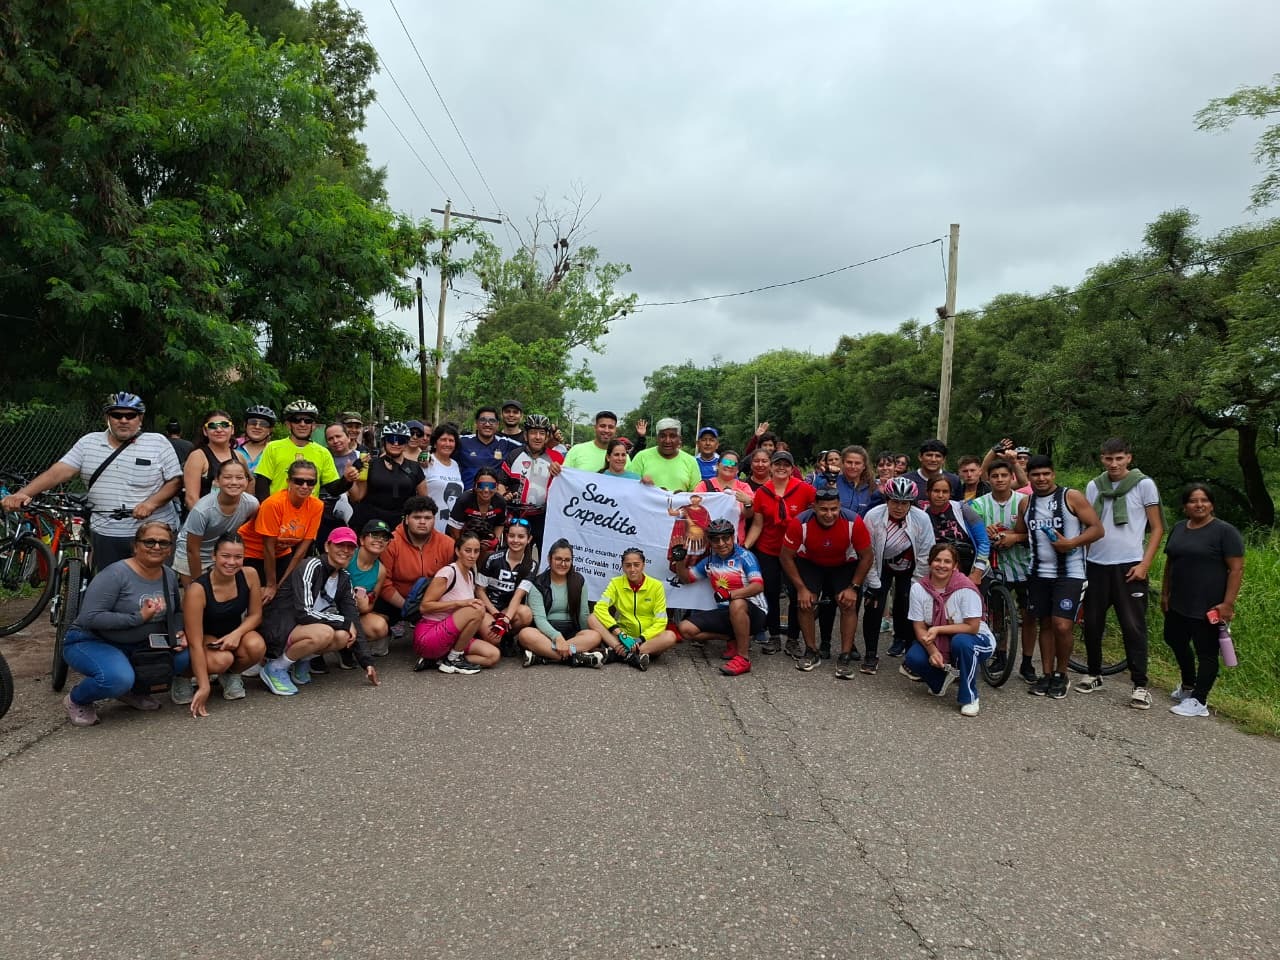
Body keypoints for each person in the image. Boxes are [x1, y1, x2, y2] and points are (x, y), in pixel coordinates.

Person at [2, 391, 181, 573]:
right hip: (106, 532)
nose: (124, 420)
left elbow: (175, 481)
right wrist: (23, 493)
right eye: (116, 415)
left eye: (130, 415)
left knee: (153, 590)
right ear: (107, 418)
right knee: (110, 588)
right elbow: (57, 473)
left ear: (140, 418)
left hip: (152, 533)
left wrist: (151, 504)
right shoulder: (88, 443)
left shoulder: (158, 443)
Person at [59, 520, 189, 726]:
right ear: (135, 545)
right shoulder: (115, 574)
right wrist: (137, 617)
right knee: (116, 678)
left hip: (140, 645)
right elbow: (89, 617)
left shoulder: (169, 575)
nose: (157, 547)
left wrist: (179, 631)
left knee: (185, 656)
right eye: (150, 542)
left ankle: (133, 691)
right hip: (92, 640)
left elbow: (177, 612)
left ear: (170, 549)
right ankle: (77, 699)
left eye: (164, 543)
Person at [1076, 438, 1165, 708]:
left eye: (1119, 458)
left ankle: (1139, 684)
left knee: (1132, 626)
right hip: (1097, 564)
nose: (1113, 464)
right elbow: (1089, 526)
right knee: (1092, 623)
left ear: (1129, 458)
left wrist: (1144, 565)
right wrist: (1083, 562)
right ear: (1101, 459)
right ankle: (1094, 672)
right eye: (1108, 459)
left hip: (1129, 565)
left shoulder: (1143, 484)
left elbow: (1157, 527)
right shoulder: (1094, 486)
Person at [1008, 455, 1104, 700]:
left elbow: (1097, 529)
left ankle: (1063, 673)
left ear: (1053, 474)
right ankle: (1047, 674)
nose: (1041, 478)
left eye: (1046, 473)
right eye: (1036, 474)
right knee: (1045, 623)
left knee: (1062, 625)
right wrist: (1001, 533)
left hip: (1070, 573)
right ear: (1028, 477)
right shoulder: (1025, 504)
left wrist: (1071, 542)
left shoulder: (1071, 497)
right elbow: (1020, 533)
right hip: (1038, 573)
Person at [258, 527, 380, 694]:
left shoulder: (344, 578)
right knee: (325, 633)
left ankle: (300, 660)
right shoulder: (310, 565)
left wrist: (367, 662)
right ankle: (276, 667)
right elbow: (304, 612)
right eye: (339, 545)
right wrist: (344, 622)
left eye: (350, 547)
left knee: (344, 636)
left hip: (303, 628)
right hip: (280, 628)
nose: (345, 550)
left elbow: (353, 618)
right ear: (327, 546)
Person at [1161, 484, 1245, 718]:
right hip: (1179, 601)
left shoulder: (1224, 532)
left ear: (1212, 504)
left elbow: (1236, 569)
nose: (1199, 505)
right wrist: (1165, 593)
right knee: (1174, 639)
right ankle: (1188, 686)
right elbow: (1170, 564)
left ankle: (1199, 700)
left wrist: (1228, 604)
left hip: (1209, 604)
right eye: (1193, 501)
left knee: (1206, 652)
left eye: (1204, 500)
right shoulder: (1179, 528)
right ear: (1185, 506)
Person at [780, 487, 873, 675]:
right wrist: (801, 588)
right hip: (811, 562)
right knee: (806, 602)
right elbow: (785, 556)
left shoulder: (854, 522)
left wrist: (853, 587)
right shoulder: (800, 522)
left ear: (840, 507)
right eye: (823, 509)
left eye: (834, 509)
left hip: (843, 563)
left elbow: (867, 557)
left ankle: (845, 655)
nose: (829, 514)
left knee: (848, 604)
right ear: (814, 507)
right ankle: (811, 651)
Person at [174, 532, 267, 715]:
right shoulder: (198, 590)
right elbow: (194, 641)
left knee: (256, 645)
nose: (231, 562)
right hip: (203, 637)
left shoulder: (250, 575)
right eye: (225, 556)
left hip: (232, 632)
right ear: (214, 556)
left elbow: (256, 615)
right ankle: (183, 677)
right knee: (222, 659)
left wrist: (237, 633)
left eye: (238, 557)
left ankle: (230, 675)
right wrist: (204, 686)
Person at [902, 543, 997, 717]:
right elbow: (919, 626)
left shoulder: (965, 588)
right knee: (913, 657)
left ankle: (970, 697)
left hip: (976, 638)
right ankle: (940, 681)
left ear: (955, 566)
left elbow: (973, 626)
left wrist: (938, 628)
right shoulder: (919, 588)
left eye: (947, 561)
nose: (941, 565)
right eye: (937, 560)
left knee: (962, 642)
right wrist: (932, 651)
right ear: (930, 563)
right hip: (940, 639)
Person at [860, 477, 935, 675]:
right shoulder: (873, 516)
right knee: (874, 605)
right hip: (880, 564)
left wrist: (916, 583)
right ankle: (870, 653)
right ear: (887, 500)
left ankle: (909, 650)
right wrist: (873, 583)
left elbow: (927, 552)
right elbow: (868, 553)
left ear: (911, 503)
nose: (899, 507)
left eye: (905, 503)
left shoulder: (922, 518)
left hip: (911, 566)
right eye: (895, 502)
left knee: (908, 603)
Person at [743, 450, 816, 656]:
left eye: (786, 464)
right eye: (777, 464)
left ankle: (793, 638)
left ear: (792, 468)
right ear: (771, 467)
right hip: (769, 549)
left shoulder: (805, 490)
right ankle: (773, 635)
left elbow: (817, 515)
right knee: (771, 593)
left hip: (796, 552)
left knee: (796, 594)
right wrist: (745, 547)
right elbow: (757, 524)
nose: (781, 468)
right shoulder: (762, 493)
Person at [970, 460, 1037, 683]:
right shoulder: (978, 504)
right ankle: (1000, 654)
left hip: (1024, 565)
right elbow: (972, 532)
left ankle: (1027, 662)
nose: (999, 479)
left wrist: (1015, 537)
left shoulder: (1025, 502)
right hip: (995, 567)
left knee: (1029, 615)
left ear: (1012, 478)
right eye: (995, 476)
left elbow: (1036, 533)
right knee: (998, 614)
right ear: (988, 479)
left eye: (1004, 475)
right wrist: (983, 531)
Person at [673, 518, 767, 677]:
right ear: (710, 541)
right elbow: (687, 579)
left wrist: (731, 594)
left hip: (753, 612)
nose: (721, 543)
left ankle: (743, 658)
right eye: (716, 540)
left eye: (726, 538)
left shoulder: (745, 556)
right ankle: (733, 638)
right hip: (727, 613)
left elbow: (758, 586)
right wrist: (680, 561)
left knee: (736, 604)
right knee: (685, 629)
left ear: (733, 537)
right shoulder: (709, 561)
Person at [411, 531, 502, 675]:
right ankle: (453, 659)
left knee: (492, 656)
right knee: (475, 608)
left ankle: (439, 659)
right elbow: (425, 607)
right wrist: (459, 603)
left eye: (476, 551)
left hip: (453, 636)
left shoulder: (471, 574)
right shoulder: (448, 572)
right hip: (429, 635)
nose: (472, 555)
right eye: (467, 550)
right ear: (457, 551)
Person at [237, 459, 323, 605]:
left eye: (310, 482)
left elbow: (302, 550)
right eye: (299, 481)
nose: (304, 486)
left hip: (282, 553)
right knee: (262, 596)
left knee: (285, 593)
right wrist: (272, 585)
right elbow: (267, 547)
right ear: (289, 481)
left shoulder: (316, 506)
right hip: (252, 551)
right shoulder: (273, 504)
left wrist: (281, 584)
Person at [517, 539, 604, 668]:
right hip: (546, 633)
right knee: (525, 634)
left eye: (567, 560)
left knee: (595, 635)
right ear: (549, 559)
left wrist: (589, 641)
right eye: (558, 559)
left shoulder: (579, 580)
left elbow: (583, 614)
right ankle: (576, 657)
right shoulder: (538, 583)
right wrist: (557, 637)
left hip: (571, 632)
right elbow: (540, 619)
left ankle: (546, 656)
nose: (563, 564)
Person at [590, 548, 680, 671]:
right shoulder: (616, 583)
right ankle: (629, 655)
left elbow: (661, 622)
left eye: (636, 565)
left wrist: (641, 639)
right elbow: (600, 608)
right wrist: (620, 633)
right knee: (592, 618)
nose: (632, 569)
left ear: (643, 565)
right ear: (622, 567)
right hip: (622, 637)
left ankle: (617, 654)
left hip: (647, 641)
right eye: (628, 565)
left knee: (670, 636)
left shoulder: (656, 586)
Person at [375, 495, 456, 631]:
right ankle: (388, 631)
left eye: (428, 518)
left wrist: (428, 606)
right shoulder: (391, 543)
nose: (422, 522)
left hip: (433, 602)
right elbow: (384, 583)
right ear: (406, 519)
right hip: (396, 601)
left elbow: (454, 580)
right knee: (377, 627)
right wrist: (407, 607)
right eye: (417, 518)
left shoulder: (448, 544)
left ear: (434, 520)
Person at [173, 458, 260, 583]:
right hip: (191, 553)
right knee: (196, 594)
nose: (234, 482)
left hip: (220, 552)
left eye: (240, 478)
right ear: (217, 481)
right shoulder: (203, 510)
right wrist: (199, 583)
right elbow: (192, 549)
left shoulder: (251, 504)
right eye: (227, 477)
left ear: (247, 481)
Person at [348, 421, 428, 533]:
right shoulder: (371, 464)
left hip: (401, 525)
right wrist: (348, 478)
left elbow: (424, 500)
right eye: (391, 439)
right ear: (384, 441)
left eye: (400, 440)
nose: (396, 444)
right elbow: (358, 496)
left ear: (406, 444)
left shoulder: (414, 467)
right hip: (370, 522)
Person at [253, 399, 338, 501]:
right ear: (288, 424)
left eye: (308, 421)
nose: (302, 424)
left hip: (308, 512)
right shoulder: (273, 447)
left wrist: (348, 479)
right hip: (277, 510)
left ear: (314, 426)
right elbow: (262, 483)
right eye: (296, 420)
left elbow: (333, 488)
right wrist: (267, 510)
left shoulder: (323, 452)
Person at [501, 413, 564, 550]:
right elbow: (501, 482)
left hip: (544, 518)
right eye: (533, 433)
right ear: (525, 436)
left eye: (542, 433)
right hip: (517, 515)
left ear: (547, 436)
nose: (537, 437)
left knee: (545, 559)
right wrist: (504, 495)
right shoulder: (514, 455)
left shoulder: (557, 458)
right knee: (514, 557)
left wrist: (559, 471)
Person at [477, 518, 537, 655]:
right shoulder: (492, 558)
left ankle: (506, 637)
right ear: (506, 536)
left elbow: (518, 595)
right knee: (493, 641)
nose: (516, 540)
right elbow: (479, 590)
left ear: (529, 539)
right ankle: (487, 635)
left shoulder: (531, 565)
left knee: (526, 614)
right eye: (511, 536)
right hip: (488, 609)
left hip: (507, 610)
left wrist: (505, 620)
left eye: (521, 536)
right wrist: (495, 614)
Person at [922, 475, 991, 583]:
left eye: (945, 492)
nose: (940, 495)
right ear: (928, 493)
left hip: (971, 566)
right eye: (936, 491)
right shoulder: (922, 516)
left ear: (950, 494)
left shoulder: (963, 509)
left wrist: (977, 572)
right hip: (939, 572)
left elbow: (983, 541)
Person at [348, 519, 392, 657]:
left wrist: (363, 604)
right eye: (374, 535)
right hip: (331, 608)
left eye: (384, 537)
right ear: (362, 539)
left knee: (380, 627)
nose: (380, 540)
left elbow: (370, 606)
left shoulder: (381, 570)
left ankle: (346, 649)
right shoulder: (347, 556)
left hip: (355, 613)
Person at [183, 410, 241, 512]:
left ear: (232, 429)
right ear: (205, 431)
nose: (219, 429)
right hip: (203, 519)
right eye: (212, 426)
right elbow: (191, 499)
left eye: (224, 425)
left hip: (233, 519)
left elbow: (249, 486)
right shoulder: (197, 456)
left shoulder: (239, 456)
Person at [695, 450, 754, 542]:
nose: (729, 466)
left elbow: (748, 515)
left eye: (733, 464)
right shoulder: (704, 485)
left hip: (734, 541)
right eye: (726, 462)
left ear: (738, 469)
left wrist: (747, 503)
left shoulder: (743, 487)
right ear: (718, 465)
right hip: (708, 540)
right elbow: (695, 509)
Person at [449, 467, 510, 554]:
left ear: (497, 487)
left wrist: (495, 540)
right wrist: (464, 548)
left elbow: (500, 524)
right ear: (475, 486)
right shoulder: (464, 500)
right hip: (463, 541)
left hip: (486, 542)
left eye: (491, 486)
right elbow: (454, 531)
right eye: (481, 485)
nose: (486, 490)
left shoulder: (500, 502)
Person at [630, 418, 701, 492]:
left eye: (672, 436)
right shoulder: (641, 457)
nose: (667, 441)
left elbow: (696, 495)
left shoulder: (691, 461)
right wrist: (643, 486)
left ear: (679, 439)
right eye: (662, 436)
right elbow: (630, 488)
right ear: (657, 438)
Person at [458, 406, 518, 489]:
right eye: (483, 420)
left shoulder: (505, 443)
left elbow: (530, 446)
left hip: (494, 496)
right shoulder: (463, 441)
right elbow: (441, 442)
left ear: (497, 425)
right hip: (467, 496)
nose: (487, 424)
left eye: (492, 421)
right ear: (476, 423)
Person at [424, 423, 464, 534]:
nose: (447, 444)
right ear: (435, 443)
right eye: (443, 439)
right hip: (429, 525)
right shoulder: (426, 460)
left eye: (451, 440)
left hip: (452, 528)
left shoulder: (455, 465)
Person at [564, 410, 629, 473]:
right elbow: (563, 475)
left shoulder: (623, 457)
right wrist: (555, 468)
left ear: (615, 430)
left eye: (611, 427)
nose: (606, 430)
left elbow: (633, 480)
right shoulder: (577, 450)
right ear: (595, 427)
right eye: (602, 426)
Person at [904, 438, 961, 506]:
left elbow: (958, 508)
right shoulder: (906, 480)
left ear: (944, 459)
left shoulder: (954, 481)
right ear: (920, 457)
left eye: (938, 456)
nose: (933, 459)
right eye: (929, 455)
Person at [834, 445, 882, 517]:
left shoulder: (873, 487)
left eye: (857, 463)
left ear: (864, 466)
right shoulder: (832, 483)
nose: (853, 466)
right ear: (843, 463)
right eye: (849, 462)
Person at [236, 404, 277, 474]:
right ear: (245, 426)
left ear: (270, 430)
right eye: (253, 422)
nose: (257, 427)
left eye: (264, 424)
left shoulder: (275, 451)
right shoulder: (233, 445)